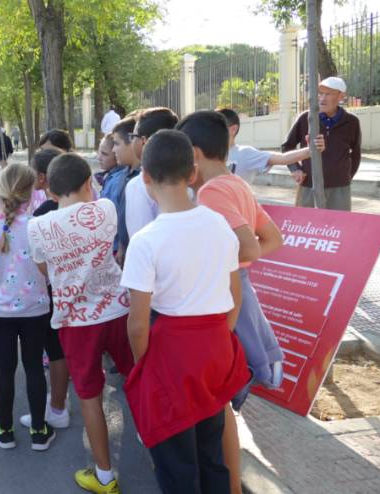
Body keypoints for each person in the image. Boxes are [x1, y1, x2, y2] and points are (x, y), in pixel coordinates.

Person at [121, 129, 251, 494]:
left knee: (177, 461)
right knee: (211, 450)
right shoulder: (219, 225)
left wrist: (144, 366)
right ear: (192, 174)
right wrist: (220, 337)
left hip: (171, 357)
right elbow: (235, 294)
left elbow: (137, 324)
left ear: (145, 177)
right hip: (216, 349)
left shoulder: (145, 241)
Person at [178, 110, 285, 493]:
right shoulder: (235, 183)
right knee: (221, 400)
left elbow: (250, 247)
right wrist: (239, 265)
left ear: (194, 153)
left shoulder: (212, 192)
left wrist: (224, 266)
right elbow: (272, 239)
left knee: (220, 402)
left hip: (224, 298)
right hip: (236, 288)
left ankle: (230, 485)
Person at [27, 153, 134, 494]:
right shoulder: (105, 209)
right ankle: (159, 446)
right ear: (89, 183)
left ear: (49, 191)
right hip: (118, 311)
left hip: (76, 322)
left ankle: (104, 476)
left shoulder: (37, 226)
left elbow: (45, 271)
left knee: (89, 396)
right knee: (138, 378)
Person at [0, 163, 56, 451]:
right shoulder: (38, 228)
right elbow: (49, 271)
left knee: (5, 369)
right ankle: (39, 430)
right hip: (36, 309)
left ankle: (5, 429)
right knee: (34, 367)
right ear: (30, 194)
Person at [17, 148, 71, 431]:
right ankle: (60, 404)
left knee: (55, 349)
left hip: (54, 292)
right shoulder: (82, 207)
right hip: (81, 292)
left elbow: (39, 264)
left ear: (41, 178)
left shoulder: (41, 215)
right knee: (65, 350)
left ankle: (58, 407)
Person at [281, 76, 361, 211]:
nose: (322, 98)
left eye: (328, 94)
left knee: (338, 223)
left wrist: (346, 178)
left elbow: (356, 154)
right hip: (308, 185)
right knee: (305, 222)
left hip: (340, 189)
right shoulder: (306, 118)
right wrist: (295, 169)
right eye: (320, 93)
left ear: (341, 96)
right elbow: (287, 146)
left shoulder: (352, 122)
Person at [218, 108, 325, 185]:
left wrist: (311, 149)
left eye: (215, 127)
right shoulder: (208, 154)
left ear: (233, 129)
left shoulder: (245, 153)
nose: (211, 131)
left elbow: (283, 158)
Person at [124, 107, 179, 238]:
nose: (132, 141)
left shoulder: (138, 185)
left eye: (133, 137)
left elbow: (139, 235)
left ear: (144, 141)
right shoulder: (187, 177)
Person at [109, 117, 142, 256]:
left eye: (116, 144)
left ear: (132, 142)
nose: (113, 149)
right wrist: (121, 246)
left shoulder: (143, 178)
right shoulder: (123, 175)